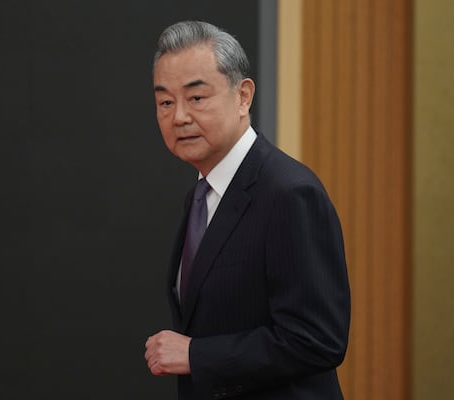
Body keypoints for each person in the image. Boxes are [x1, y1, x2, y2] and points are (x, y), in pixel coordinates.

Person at [144, 20, 350, 400]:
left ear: (243, 96)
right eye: (165, 102)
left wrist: (196, 354)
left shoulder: (290, 193)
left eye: (197, 98)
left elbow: (318, 339)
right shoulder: (200, 194)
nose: (179, 117)